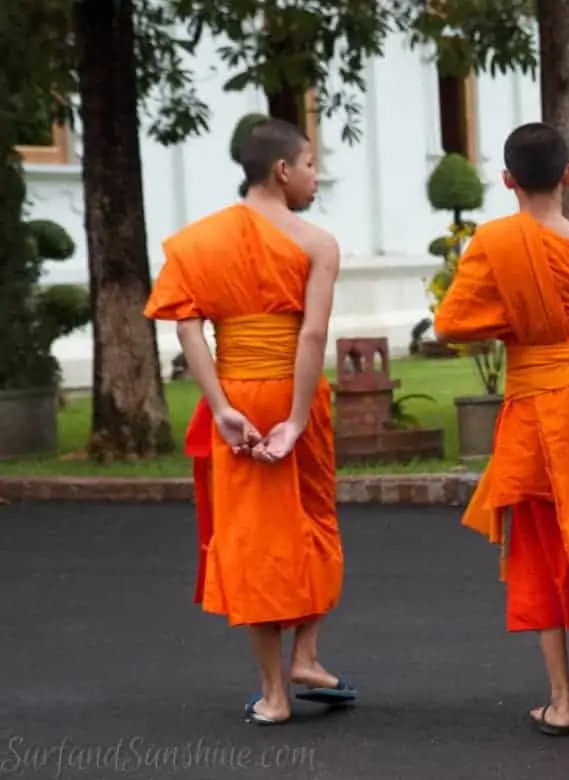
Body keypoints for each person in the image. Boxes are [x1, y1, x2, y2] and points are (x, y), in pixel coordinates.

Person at [432, 122, 569, 737]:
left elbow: (449, 324)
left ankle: (561, 700)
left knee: (537, 542)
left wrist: (513, 319)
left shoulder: (494, 241)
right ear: (568, 175)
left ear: (506, 180)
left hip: (531, 400)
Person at [143, 118, 353, 726]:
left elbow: (187, 328)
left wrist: (222, 406)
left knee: (253, 541)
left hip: (234, 391)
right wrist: (292, 418)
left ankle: (275, 693)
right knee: (314, 518)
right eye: (310, 164)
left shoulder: (199, 242)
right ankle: (306, 653)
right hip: (296, 394)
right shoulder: (317, 243)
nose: (316, 175)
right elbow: (312, 334)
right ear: (282, 170)